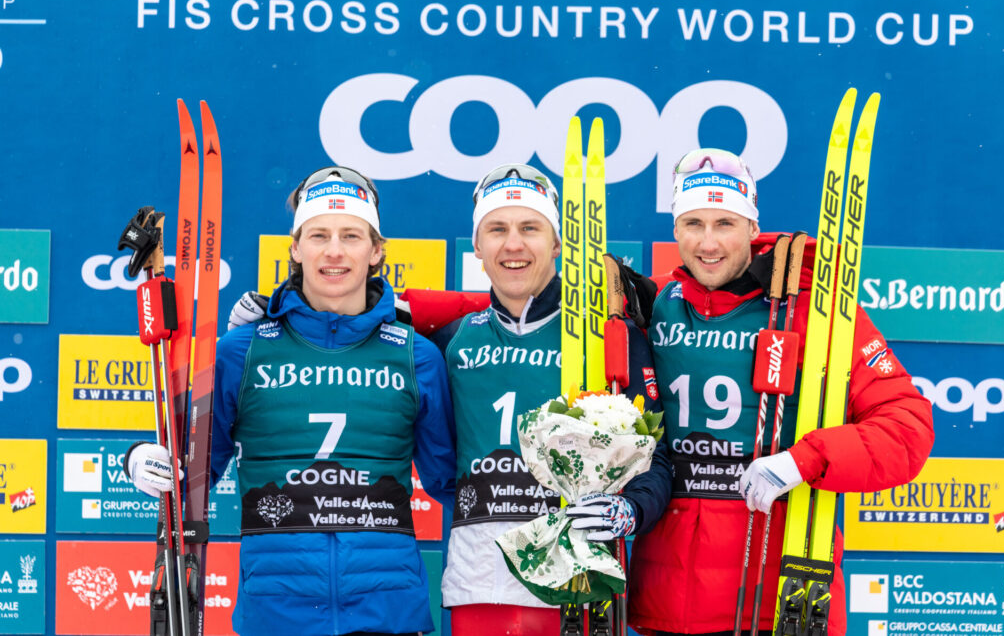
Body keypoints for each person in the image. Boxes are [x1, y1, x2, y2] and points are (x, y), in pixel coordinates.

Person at [125, 166, 457, 636]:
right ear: (296, 248)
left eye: (352, 235)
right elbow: (194, 472)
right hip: (277, 611)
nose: (334, 251)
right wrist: (143, 459)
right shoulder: (241, 351)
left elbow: (455, 482)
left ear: (377, 250)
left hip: (388, 611)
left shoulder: (415, 355)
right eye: (318, 235)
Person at [625, 149, 934, 636]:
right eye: (692, 223)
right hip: (664, 600)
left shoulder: (814, 311)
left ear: (752, 227)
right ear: (675, 229)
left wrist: (803, 460)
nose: (708, 242)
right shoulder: (655, 307)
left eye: (725, 223)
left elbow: (906, 427)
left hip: (780, 598)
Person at [400, 163, 672, 636]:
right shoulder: (451, 341)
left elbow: (657, 458)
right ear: (478, 247)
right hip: (478, 582)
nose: (513, 244)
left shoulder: (606, 337)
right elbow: (442, 468)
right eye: (497, 229)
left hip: (579, 586)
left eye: (530, 228)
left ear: (558, 243)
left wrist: (631, 510)